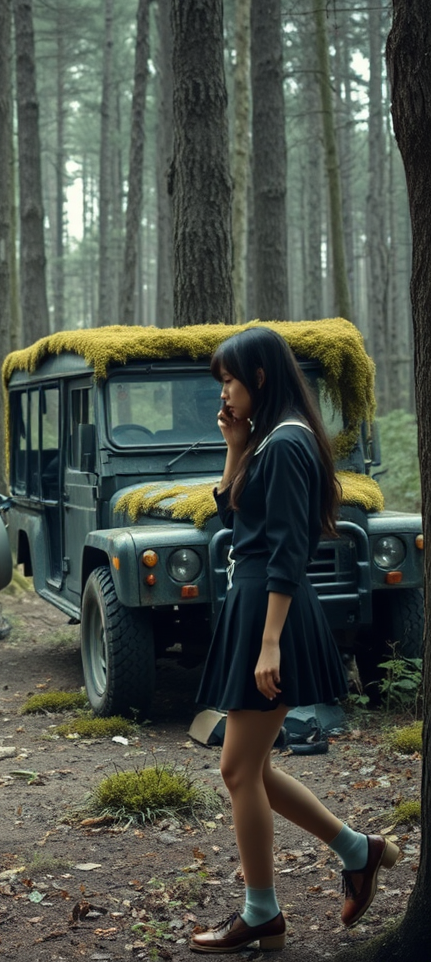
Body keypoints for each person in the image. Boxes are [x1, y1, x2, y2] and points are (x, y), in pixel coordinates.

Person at [190, 327, 400, 954]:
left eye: (228, 379)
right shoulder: (267, 442)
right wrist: (233, 448)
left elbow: (288, 550)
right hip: (254, 601)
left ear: (257, 377)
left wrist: (270, 641)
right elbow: (235, 521)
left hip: (270, 609)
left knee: (237, 768)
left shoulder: (286, 446)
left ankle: (262, 912)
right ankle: (358, 850)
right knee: (250, 767)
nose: (223, 393)